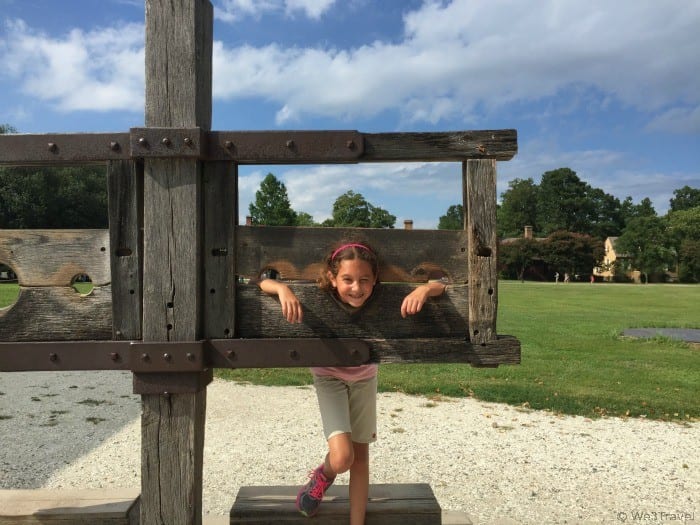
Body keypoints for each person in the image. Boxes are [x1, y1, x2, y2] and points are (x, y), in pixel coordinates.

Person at [257, 241, 446, 524]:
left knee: (360, 459)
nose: (356, 288)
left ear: (375, 280)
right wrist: (282, 288)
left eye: (364, 280)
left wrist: (424, 288)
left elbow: (444, 283)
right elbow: (261, 282)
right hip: (328, 375)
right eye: (347, 279)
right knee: (343, 458)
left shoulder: (381, 296)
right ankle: (324, 475)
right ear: (332, 278)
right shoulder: (320, 292)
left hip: (364, 378)